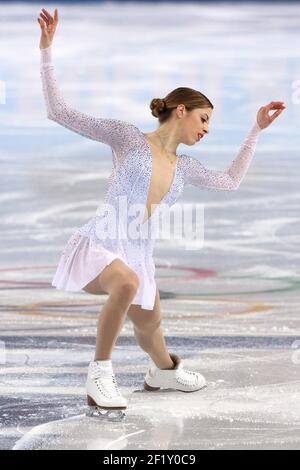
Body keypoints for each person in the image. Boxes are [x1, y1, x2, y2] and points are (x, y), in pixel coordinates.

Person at [38, 8, 285, 416]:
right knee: (126, 283)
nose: (206, 129)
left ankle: (164, 371)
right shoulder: (127, 138)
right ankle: (99, 373)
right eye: (204, 119)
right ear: (182, 110)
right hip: (101, 241)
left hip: (137, 251)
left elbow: (230, 181)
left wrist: (256, 129)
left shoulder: (184, 167)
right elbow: (59, 112)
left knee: (151, 327)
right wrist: (47, 52)